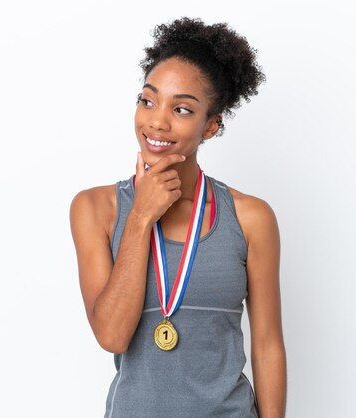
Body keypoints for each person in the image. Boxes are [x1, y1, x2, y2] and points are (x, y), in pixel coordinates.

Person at [70, 17, 286, 418]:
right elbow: (112, 335)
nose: (157, 120)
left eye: (181, 108)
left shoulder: (251, 218)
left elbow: (268, 343)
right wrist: (140, 218)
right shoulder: (95, 209)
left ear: (211, 125)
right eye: (147, 100)